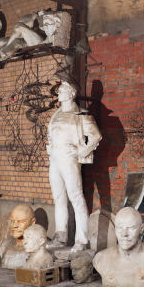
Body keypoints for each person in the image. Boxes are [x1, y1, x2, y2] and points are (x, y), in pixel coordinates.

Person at [46, 78, 101, 252]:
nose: (59, 93)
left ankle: (81, 240)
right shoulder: (56, 114)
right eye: (59, 91)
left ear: (72, 94)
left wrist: (82, 152)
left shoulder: (80, 114)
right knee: (59, 198)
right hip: (55, 158)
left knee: (76, 197)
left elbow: (96, 136)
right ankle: (60, 237)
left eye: (63, 90)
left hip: (69, 158)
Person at [92, 207, 144, 287]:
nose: (124, 234)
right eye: (119, 228)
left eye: (131, 228)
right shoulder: (101, 258)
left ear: (142, 229)